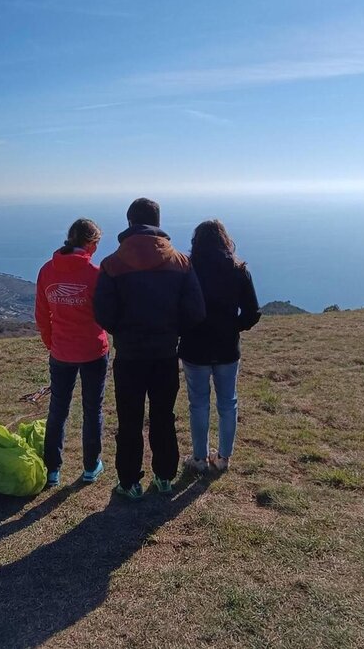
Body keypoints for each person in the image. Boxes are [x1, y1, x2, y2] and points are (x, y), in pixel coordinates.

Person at [94, 198, 206, 499]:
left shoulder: (111, 264)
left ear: (130, 222)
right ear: (157, 222)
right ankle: (165, 477)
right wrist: (171, 330)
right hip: (165, 354)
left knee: (129, 419)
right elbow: (196, 311)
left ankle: (129, 483)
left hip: (129, 356)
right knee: (163, 416)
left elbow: (102, 313)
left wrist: (122, 330)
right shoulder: (182, 263)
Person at [179, 220, 261, 473]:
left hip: (195, 346)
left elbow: (178, 308)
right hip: (227, 347)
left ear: (196, 242)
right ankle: (224, 458)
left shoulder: (187, 269)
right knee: (228, 403)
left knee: (198, 404)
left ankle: (200, 458)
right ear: (225, 240)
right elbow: (252, 312)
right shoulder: (239, 270)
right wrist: (234, 327)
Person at [35, 218, 110, 487]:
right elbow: (106, 314)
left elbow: (42, 316)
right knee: (92, 409)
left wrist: (52, 344)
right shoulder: (95, 272)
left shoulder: (47, 271)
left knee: (58, 409)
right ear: (90, 243)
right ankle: (91, 466)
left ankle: (52, 470)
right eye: (97, 243)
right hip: (93, 350)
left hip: (61, 352)